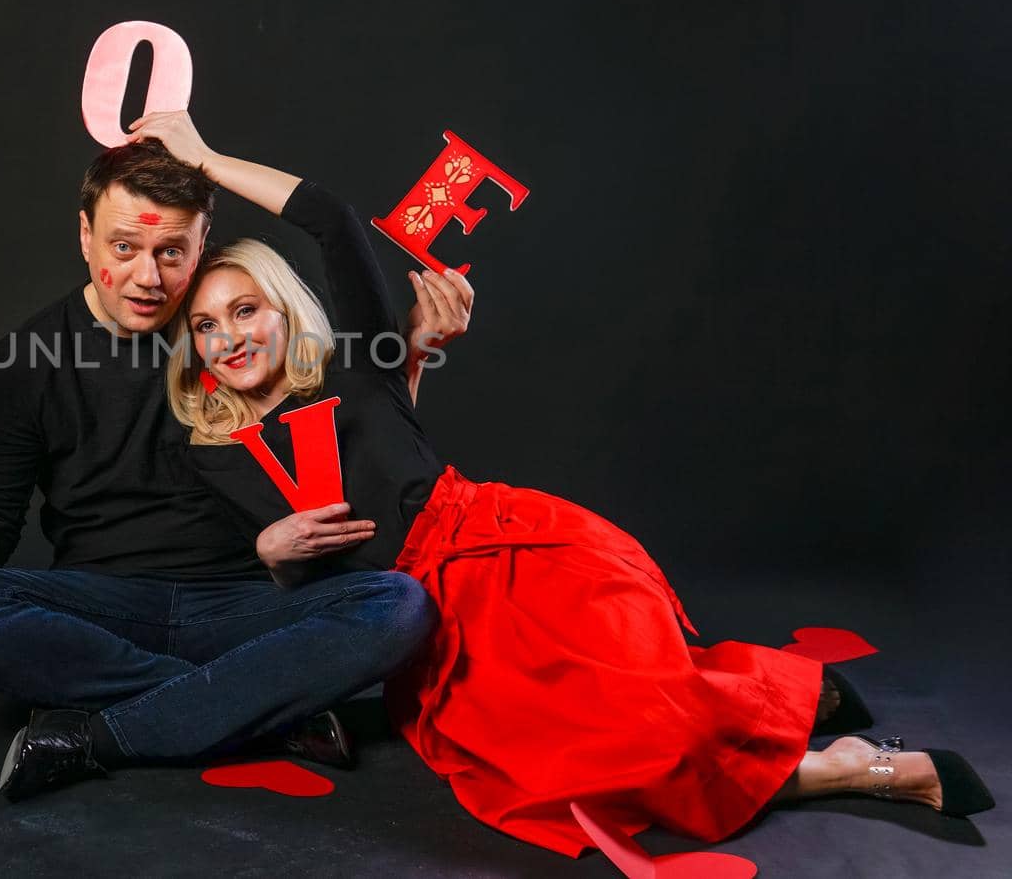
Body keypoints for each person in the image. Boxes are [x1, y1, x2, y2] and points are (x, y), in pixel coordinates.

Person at [138, 110, 996, 857]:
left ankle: (815, 736)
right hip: (431, 630)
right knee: (593, 759)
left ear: (283, 309)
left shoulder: (361, 365)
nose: (228, 336)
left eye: (244, 309)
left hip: (514, 550)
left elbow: (329, 218)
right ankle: (822, 748)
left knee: (641, 702)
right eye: (207, 325)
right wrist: (272, 552)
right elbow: (310, 592)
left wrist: (202, 155)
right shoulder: (213, 452)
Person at [0, 130, 445, 803]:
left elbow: (354, 437)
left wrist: (409, 362)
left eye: (172, 252)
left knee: (401, 606)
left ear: (202, 243)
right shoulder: (27, 358)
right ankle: (256, 702)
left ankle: (113, 728)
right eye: (125, 247)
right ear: (84, 234)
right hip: (101, 609)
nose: (150, 277)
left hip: (252, 603)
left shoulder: (232, 327)